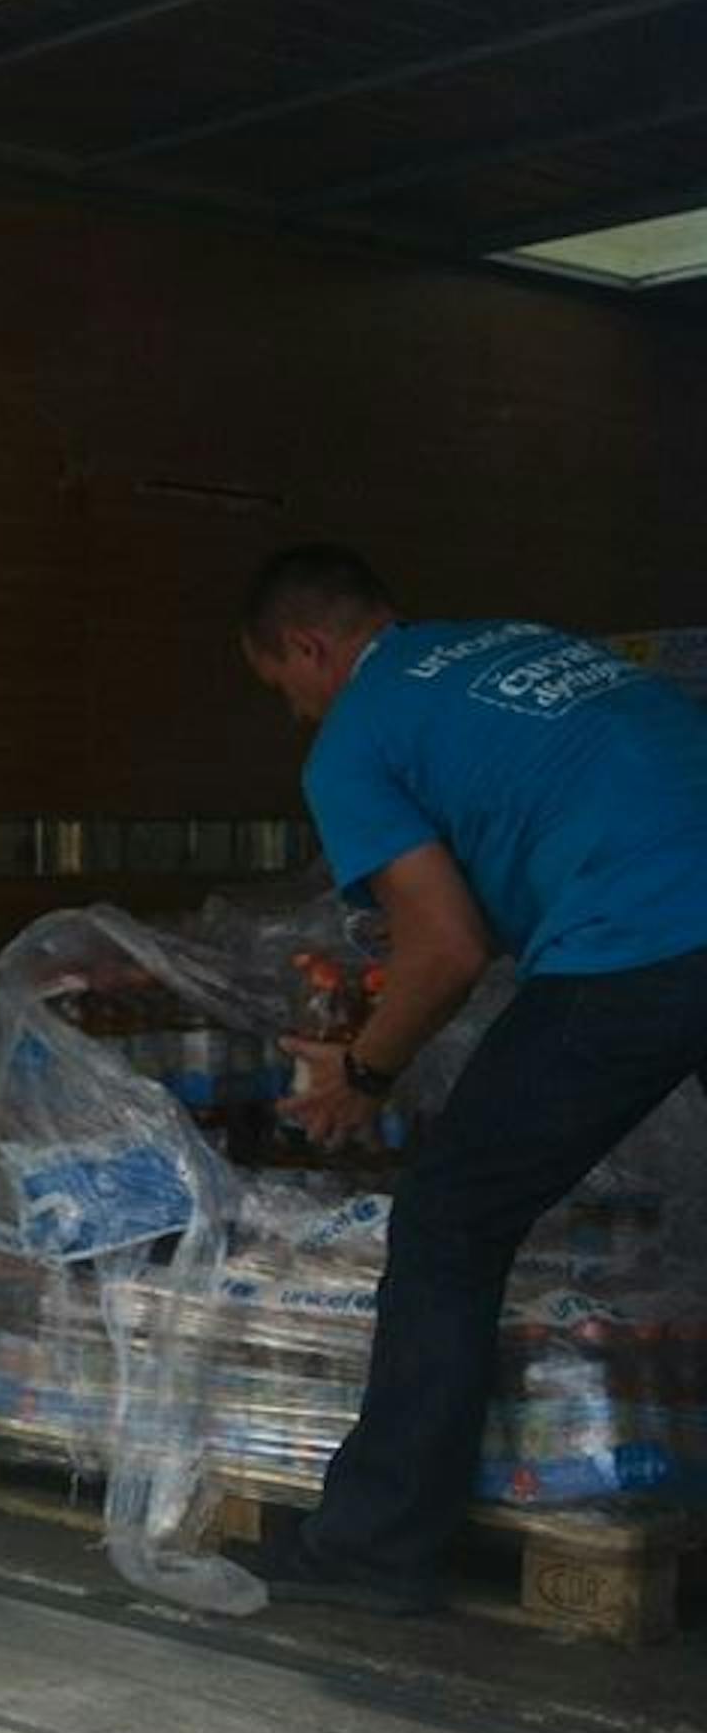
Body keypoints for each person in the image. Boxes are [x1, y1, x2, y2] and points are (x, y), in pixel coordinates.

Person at [239, 545, 707, 1614]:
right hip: (668, 904)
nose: (297, 716)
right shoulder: (503, 647)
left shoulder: (355, 738)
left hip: (644, 939)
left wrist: (363, 1070)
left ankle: (368, 1550)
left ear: (310, 648)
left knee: (450, 1221)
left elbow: (444, 950)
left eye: (285, 691)